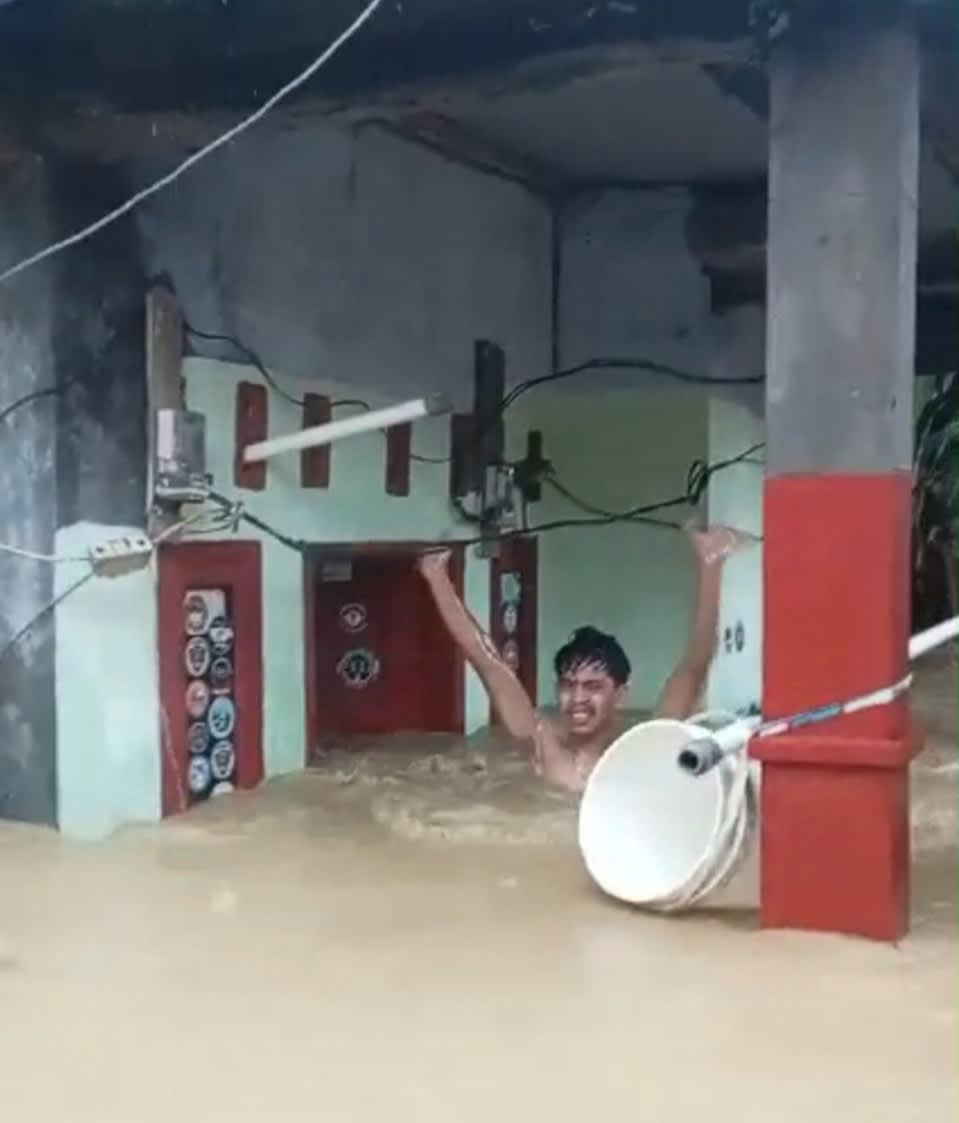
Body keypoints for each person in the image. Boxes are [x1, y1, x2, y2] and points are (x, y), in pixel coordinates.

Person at [416, 525, 749, 792]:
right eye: (568, 685)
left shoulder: (644, 745)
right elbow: (486, 660)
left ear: (621, 695)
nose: (577, 698)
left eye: (593, 686)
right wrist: (437, 579)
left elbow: (694, 665)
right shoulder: (540, 739)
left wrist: (711, 566)